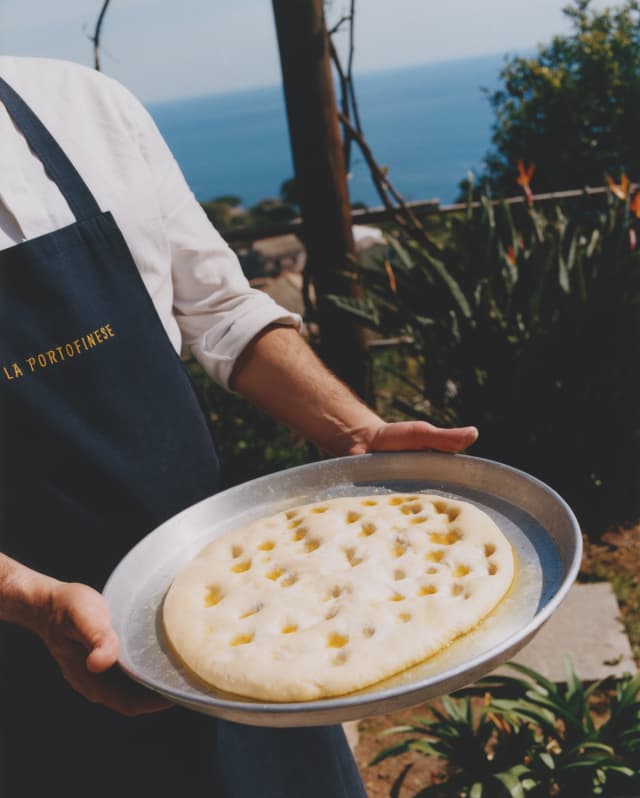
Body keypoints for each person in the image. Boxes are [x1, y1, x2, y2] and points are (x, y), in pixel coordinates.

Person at [0, 55, 478, 797]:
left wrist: (354, 430)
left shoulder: (85, 105)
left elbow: (222, 309)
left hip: (245, 618)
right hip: (26, 664)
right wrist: (27, 600)